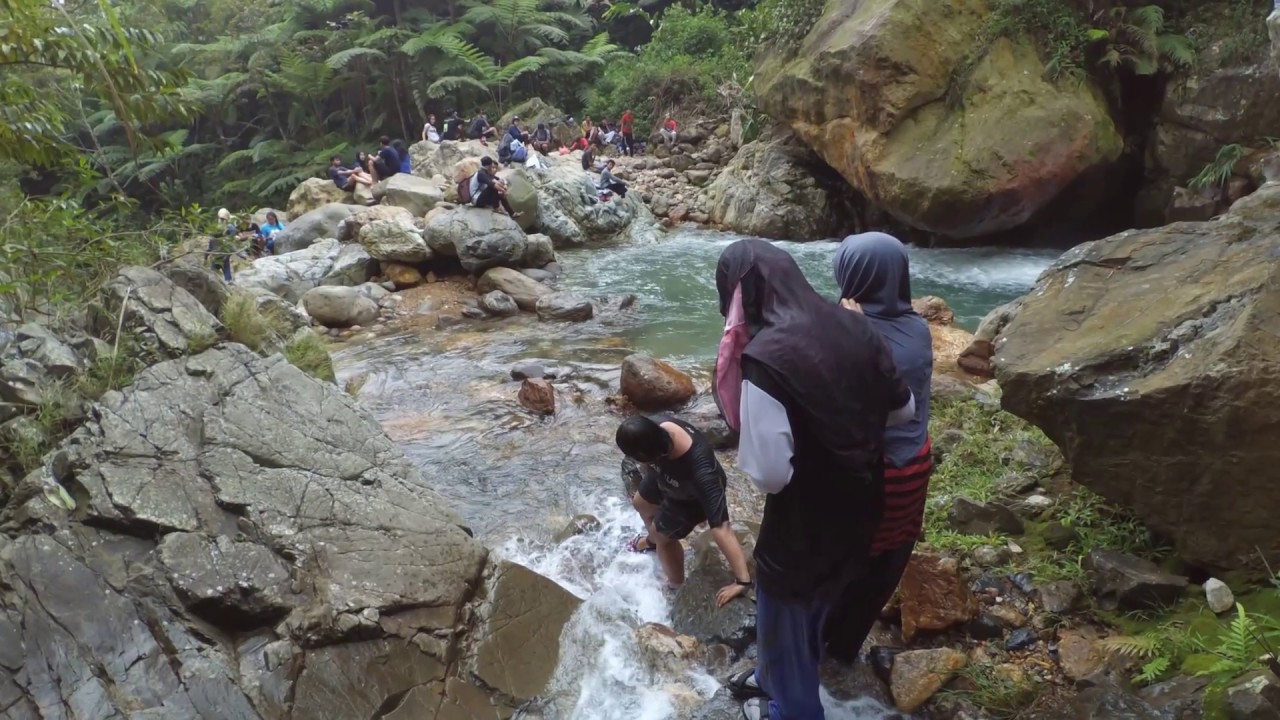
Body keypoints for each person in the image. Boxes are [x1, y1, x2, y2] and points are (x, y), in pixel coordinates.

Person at [713, 239, 915, 720]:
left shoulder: (765, 356)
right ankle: (778, 677)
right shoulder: (855, 324)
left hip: (803, 525)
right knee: (824, 598)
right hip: (865, 506)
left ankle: (790, 706)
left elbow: (769, 475)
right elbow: (903, 410)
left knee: (783, 615)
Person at [821, 233, 935, 665]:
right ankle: (847, 645)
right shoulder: (919, 329)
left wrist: (850, 328)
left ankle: (821, 643)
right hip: (914, 464)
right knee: (887, 557)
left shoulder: (848, 333)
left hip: (869, 471)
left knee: (843, 557)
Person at [617, 415, 753, 605]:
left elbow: (722, 528)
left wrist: (742, 580)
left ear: (650, 453)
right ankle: (654, 542)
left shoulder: (702, 471)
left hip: (691, 498)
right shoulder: (655, 429)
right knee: (641, 503)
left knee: (662, 535)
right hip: (665, 477)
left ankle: (675, 585)